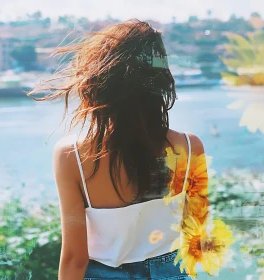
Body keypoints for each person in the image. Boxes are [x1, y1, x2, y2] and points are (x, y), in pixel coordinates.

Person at [28, 19, 207, 280]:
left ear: (100, 83)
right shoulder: (190, 148)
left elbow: (75, 259)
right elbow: (196, 237)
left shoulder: (73, 156)